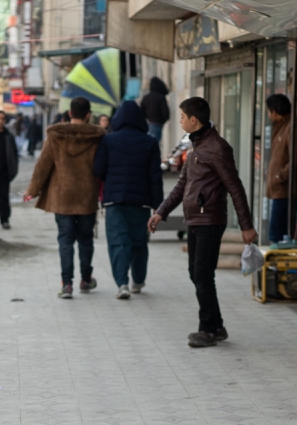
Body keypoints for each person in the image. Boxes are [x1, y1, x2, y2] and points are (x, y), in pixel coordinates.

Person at [148, 97, 257, 348]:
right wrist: (161, 213)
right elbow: (181, 185)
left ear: (193, 120)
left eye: (183, 117)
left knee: (203, 275)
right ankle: (217, 325)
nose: (181, 120)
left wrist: (246, 226)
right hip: (195, 219)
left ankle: (207, 329)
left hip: (210, 219)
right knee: (195, 274)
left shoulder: (217, 148)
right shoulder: (196, 146)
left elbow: (235, 188)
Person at [24, 97, 107, 299]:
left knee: (65, 241)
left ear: (70, 113)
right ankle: (86, 280)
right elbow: (103, 166)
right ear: (88, 115)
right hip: (87, 196)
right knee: (86, 240)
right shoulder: (97, 137)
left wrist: (32, 191)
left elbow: (43, 165)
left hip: (62, 197)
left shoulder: (56, 136)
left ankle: (67, 284)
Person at [93, 100, 162, 299]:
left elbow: (98, 170)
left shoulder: (108, 140)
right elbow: (155, 177)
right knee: (138, 241)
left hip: (115, 200)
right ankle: (138, 281)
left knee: (118, 241)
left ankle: (121, 283)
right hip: (141, 202)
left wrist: (113, 180)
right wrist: (158, 208)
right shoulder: (150, 142)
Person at [265, 94, 294, 243]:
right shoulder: (281, 127)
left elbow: (296, 159)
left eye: (269, 112)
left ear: (275, 112)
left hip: (284, 190)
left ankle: (279, 265)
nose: (269, 115)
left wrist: (279, 177)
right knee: (276, 233)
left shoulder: (290, 128)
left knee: (276, 234)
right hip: (278, 190)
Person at [140, 77, 171, 143]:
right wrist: (161, 121)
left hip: (148, 124)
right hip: (158, 124)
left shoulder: (146, 97)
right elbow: (166, 113)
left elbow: (141, 112)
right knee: (155, 145)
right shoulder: (160, 97)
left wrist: (147, 118)